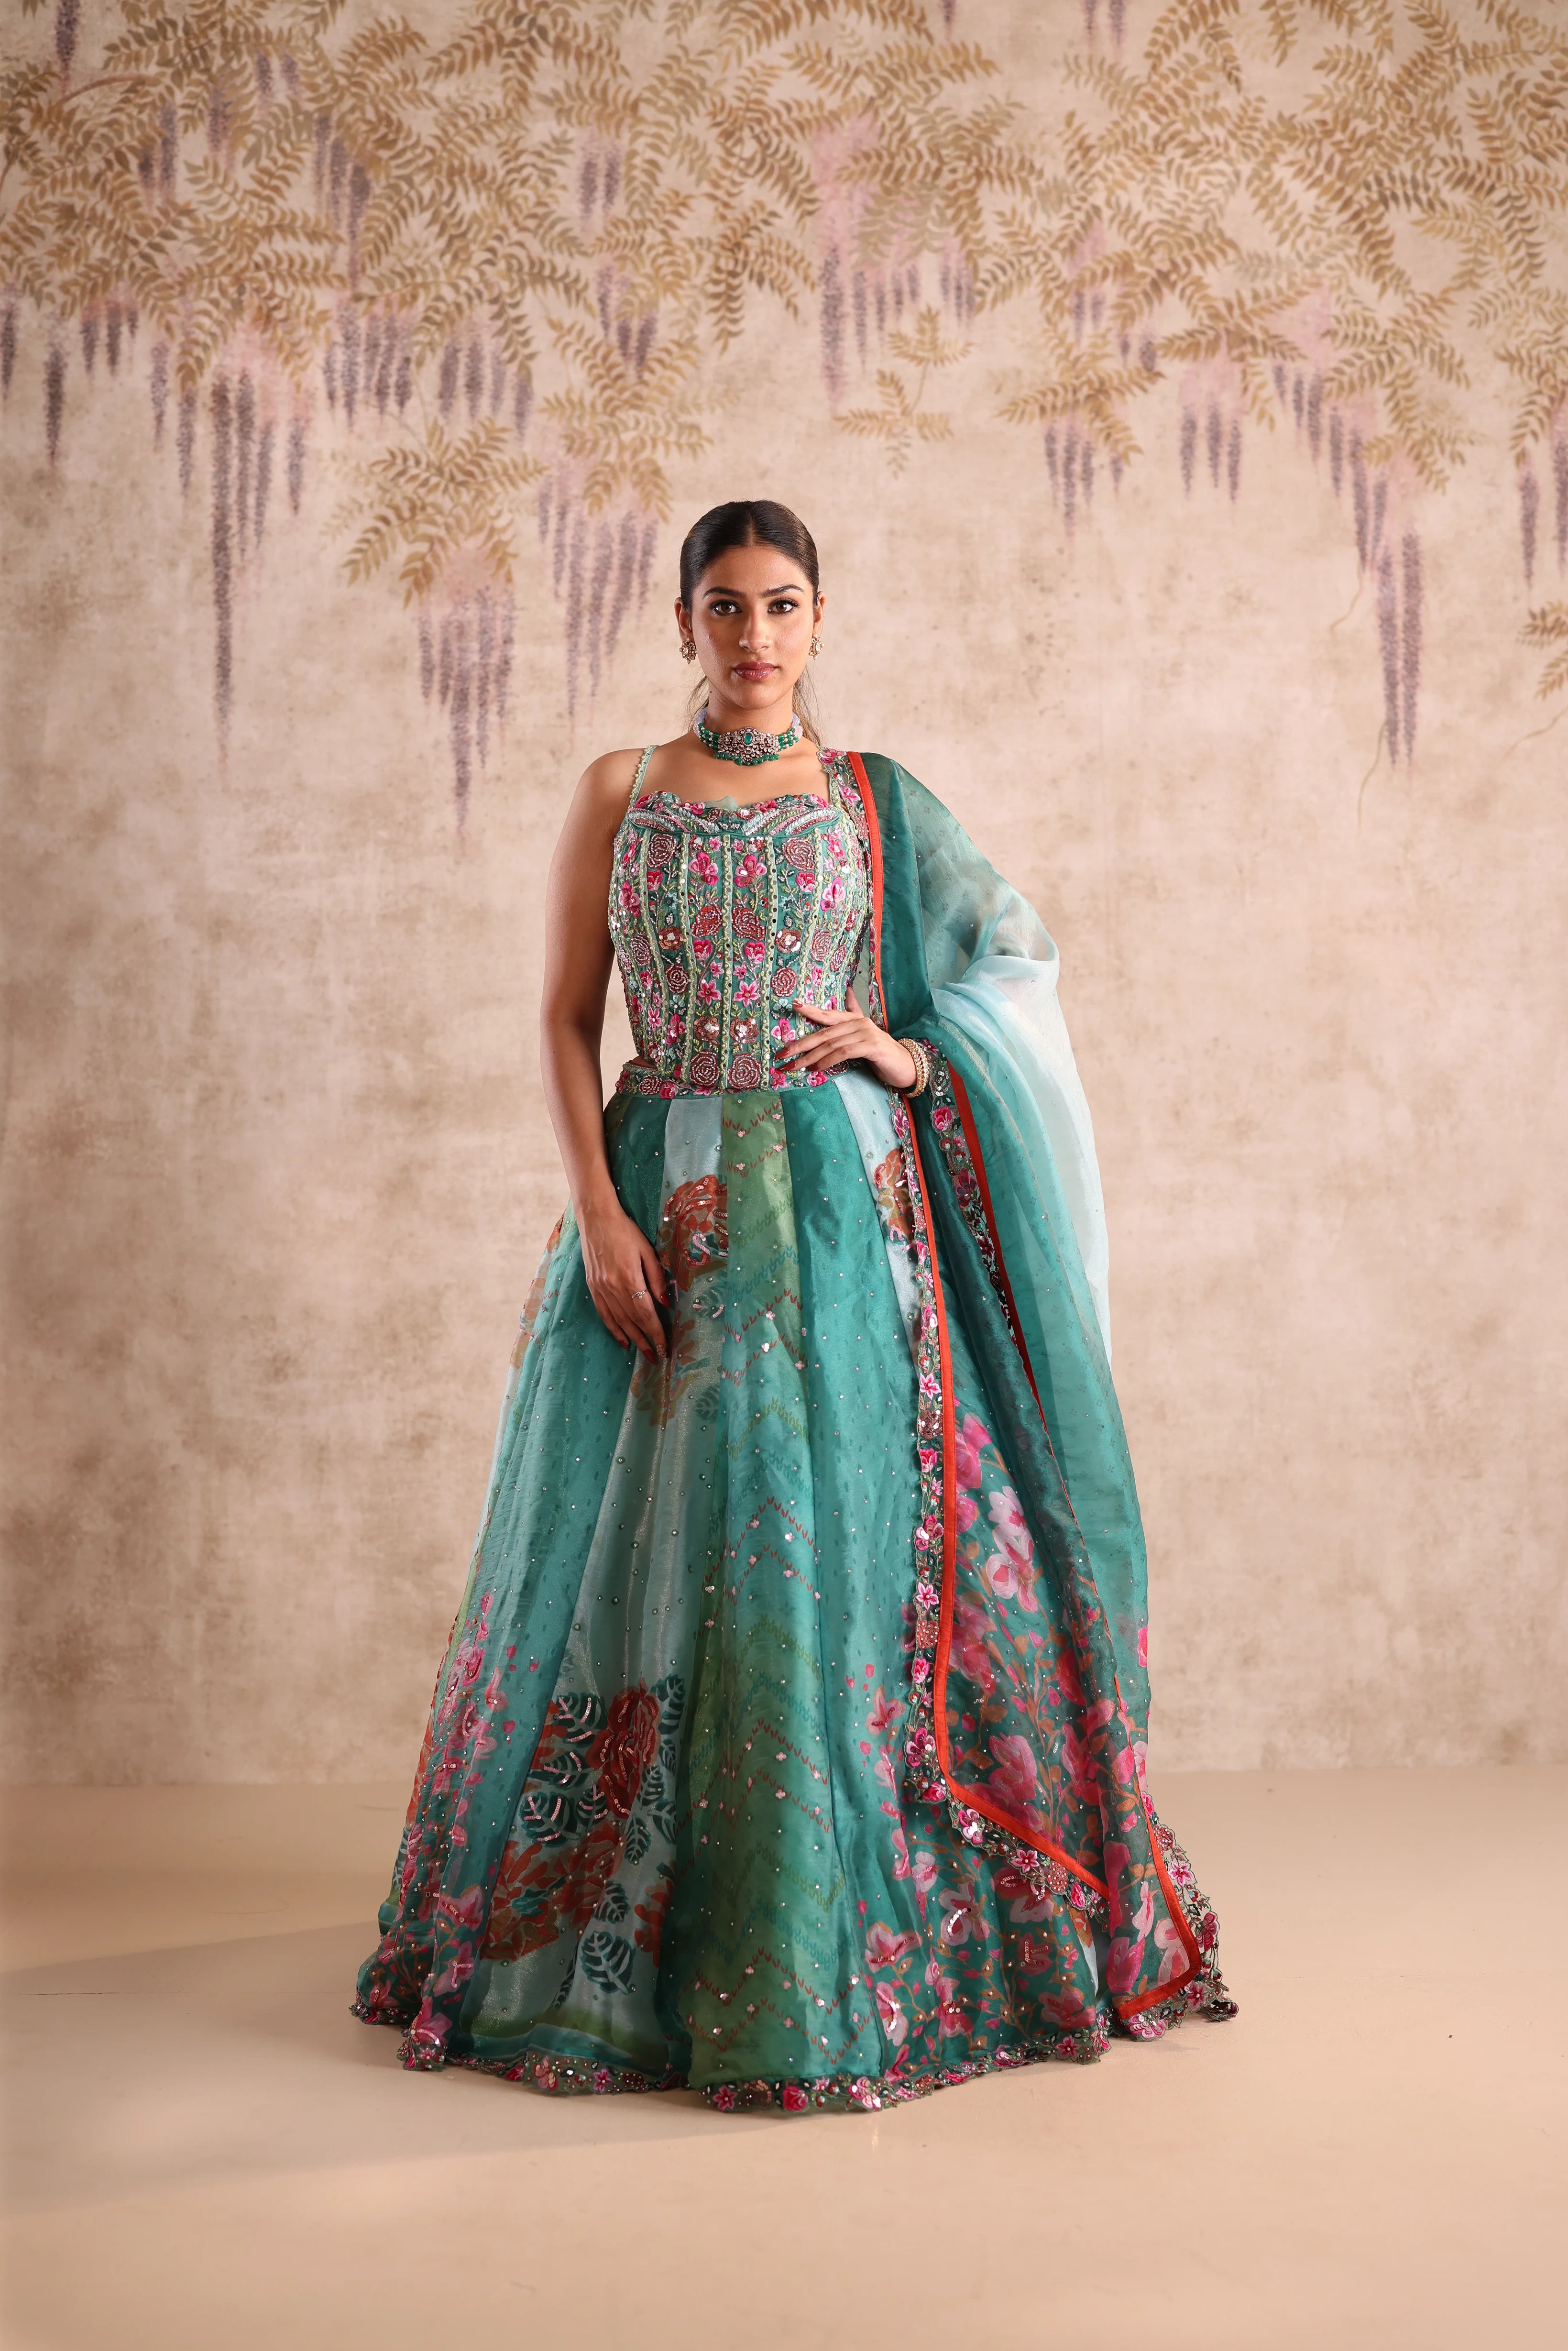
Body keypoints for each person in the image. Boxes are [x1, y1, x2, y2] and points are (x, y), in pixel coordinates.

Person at [352, 498, 1236, 2112]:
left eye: (782, 606)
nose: (753, 637)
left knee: (826, 1549)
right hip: (664, 1206)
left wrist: (906, 1058)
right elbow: (563, 1020)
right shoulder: (620, 791)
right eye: (723, 607)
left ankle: (828, 1919)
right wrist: (599, 1211)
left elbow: (1008, 960)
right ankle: (625, 1945)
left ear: (820, 622)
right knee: (636, 1551)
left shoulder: (873, 801)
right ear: (682, 622)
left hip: (842, 1217)